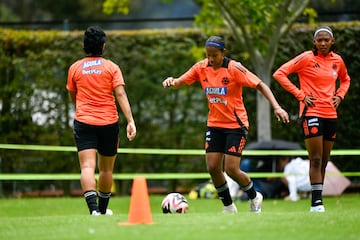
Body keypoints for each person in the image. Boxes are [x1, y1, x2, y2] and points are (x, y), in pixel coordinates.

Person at [162, 36, 290, 213]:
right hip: (214, 125)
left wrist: (277, 107)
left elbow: (261, 85)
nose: (211, 59)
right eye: (208, 55)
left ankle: (255, 196)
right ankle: (229, 207)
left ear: (223, 53)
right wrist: (172, 81)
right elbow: (180, 82)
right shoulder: (201, 67)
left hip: (236, 125)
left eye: (215, 55)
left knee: (231, 169)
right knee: (213, 167)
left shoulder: (234, 68)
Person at [273, 26, 351, 212]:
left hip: (331, 114)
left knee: (324, 160)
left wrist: (339, 95)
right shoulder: (306, 58)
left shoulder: (337, 60)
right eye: (319, 40)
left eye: (326, 40)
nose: (323, 43)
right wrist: (300, 95)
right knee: (315, 159)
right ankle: (317, 203)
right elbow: (279, 74)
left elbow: (346, 79)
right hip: (312, 113)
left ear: (332, 41)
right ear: (314, 42)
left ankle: (317, 198)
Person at [66, 26, 136, 215]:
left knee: (87, 166)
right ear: (103, 46)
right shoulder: (111, 67)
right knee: (106, 169)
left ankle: (94, 211)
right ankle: (103, 210)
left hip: (84, 121)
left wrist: (82, 108)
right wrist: (130, 120)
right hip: (108, 123)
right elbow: (120, 93)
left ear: (84, 46)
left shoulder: (75, 68)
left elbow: (73, 96)